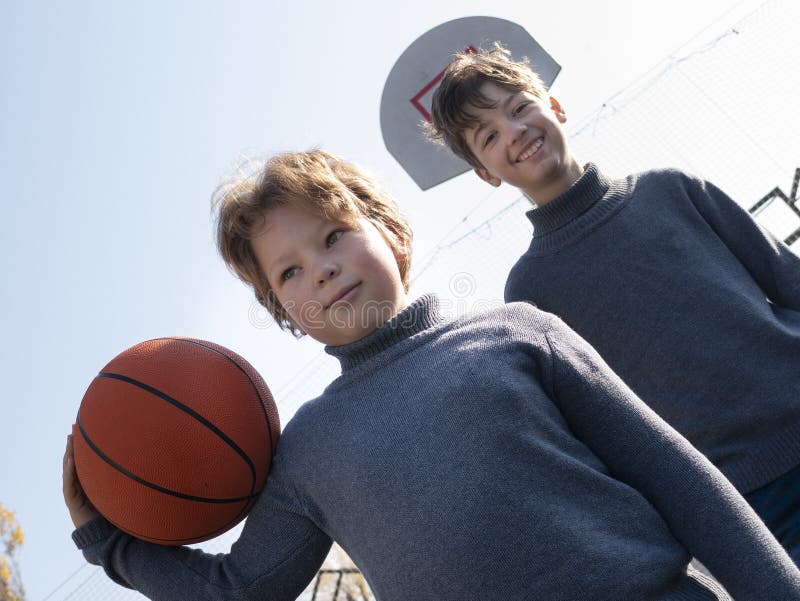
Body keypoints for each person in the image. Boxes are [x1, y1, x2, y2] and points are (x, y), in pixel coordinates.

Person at [63, 150, 800, 600]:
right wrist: (112, 545)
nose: (321, 268)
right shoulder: (307, 449)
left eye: (333, 235)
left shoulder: (519, 329)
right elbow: (240, 588)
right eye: (291, 269)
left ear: (388, 227)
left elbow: (679, 477)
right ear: (285, 311)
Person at [428, 43, 800, 565]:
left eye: (519, 107)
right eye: (489, 135)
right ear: (486, 174)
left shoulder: (672, 190)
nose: (514, 131)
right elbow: (601, 430)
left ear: (554, 108)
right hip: (749, 505)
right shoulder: (529, 293)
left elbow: (789, 281)